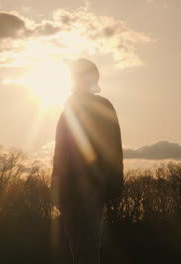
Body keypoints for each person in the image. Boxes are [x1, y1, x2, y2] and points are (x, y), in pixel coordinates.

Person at [51, 59, 124, 264]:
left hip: (92, 188)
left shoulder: (102, 106)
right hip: (70, 191)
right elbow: (60, 153)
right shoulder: (67, 112)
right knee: (80, 249)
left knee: (88, 248)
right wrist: (57, 190)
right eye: (77, 76)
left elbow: (113, 146)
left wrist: (113, 182)